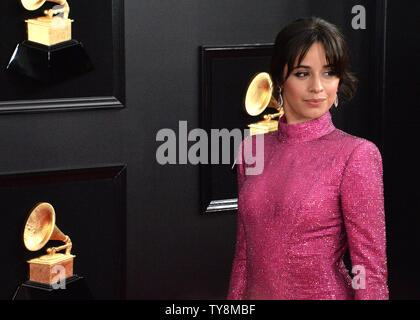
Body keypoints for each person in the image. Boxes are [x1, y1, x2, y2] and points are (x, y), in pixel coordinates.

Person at [227, 16, 389, 300]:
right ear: (280, 79)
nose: (318, 87)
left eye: (329, 73)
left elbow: (369, 269)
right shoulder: (251, 150)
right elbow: (244, 256)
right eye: (303, 73)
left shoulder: (357, 155)